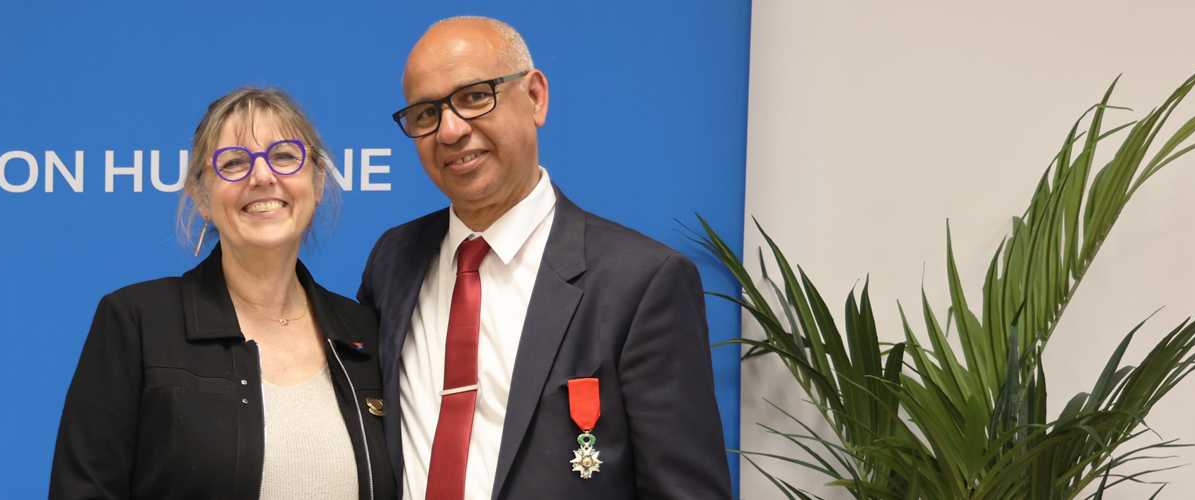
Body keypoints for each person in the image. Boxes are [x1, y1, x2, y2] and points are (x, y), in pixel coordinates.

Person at [356, 17, 732, 500]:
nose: (449, 130)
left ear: (535, 97)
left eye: (474, 96)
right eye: (426, 113)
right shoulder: (393, 260)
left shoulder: (641, 282)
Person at [51, 86, 397, 500]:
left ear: (318, 181)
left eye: (285, 156)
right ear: (200, 196)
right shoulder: (136, 322)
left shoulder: (365, 334)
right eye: (234, 163)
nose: (264, 176)